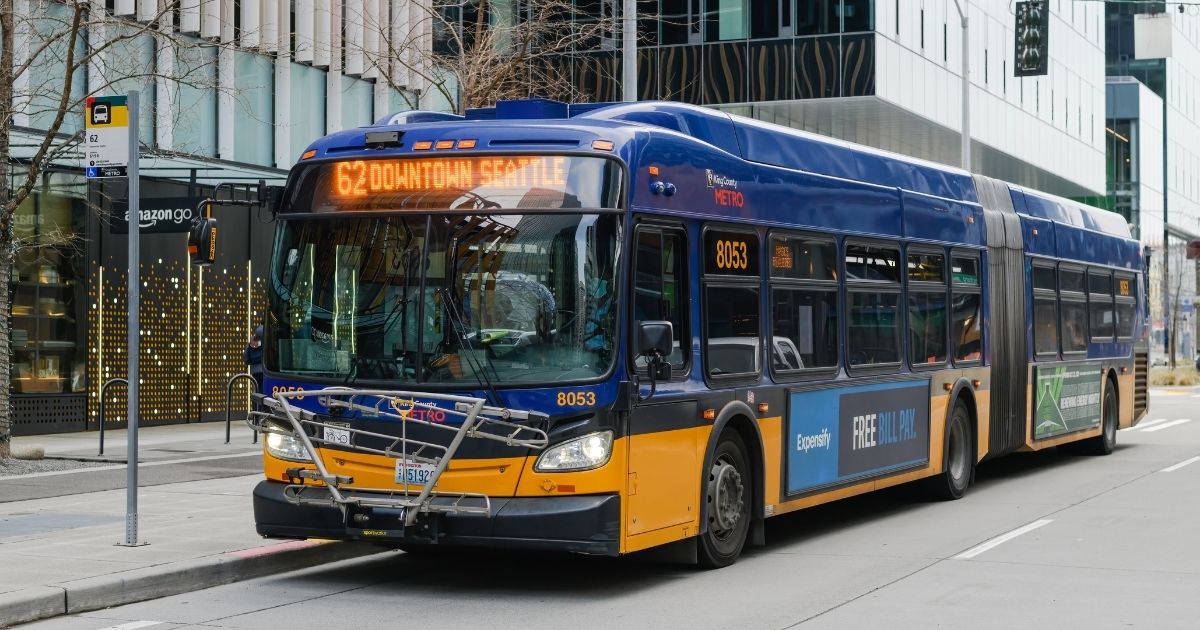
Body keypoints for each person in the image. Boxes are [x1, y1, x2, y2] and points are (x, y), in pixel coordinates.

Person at [244, 325, 264, 392]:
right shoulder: (266, 341)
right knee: (263, 388)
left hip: (254, 370)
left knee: (256, 386)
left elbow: (246, 355)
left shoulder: (252, 341)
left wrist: (246, 364)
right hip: (264, 369)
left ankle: (256, 401)